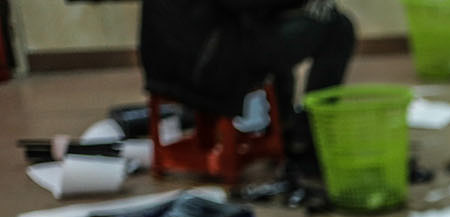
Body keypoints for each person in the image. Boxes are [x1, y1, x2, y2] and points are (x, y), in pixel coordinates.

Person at [139, 0, 356, 140]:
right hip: (208, 62)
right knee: (337, 27)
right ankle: (312, 136)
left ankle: (289, 128)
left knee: (278, 24)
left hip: (174, 60)